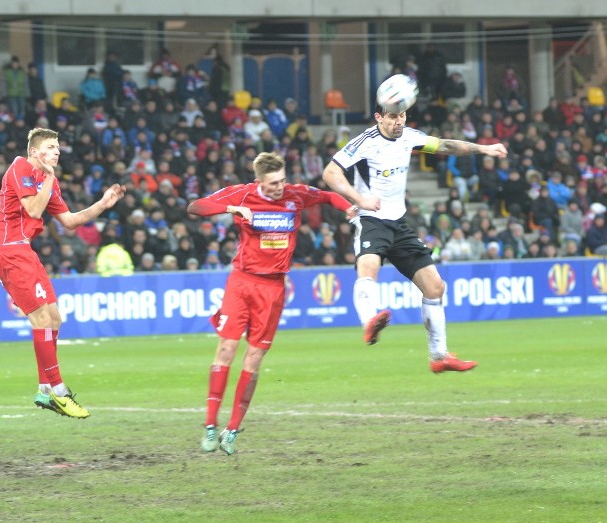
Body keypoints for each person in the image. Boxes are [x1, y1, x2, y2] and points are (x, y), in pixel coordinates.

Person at [188, 152, 355, 455]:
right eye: (274, 183)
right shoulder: (243, 194)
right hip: (241, 282)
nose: (280, 187)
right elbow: (195, 207)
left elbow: (330, 196)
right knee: (226, 350)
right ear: (259, 182)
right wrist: (232, 208)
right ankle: (210, 426)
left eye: (282, 180)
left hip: (273, 288)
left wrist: (350, 207)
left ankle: (233, 429)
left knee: (253, 360)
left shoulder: (296, 195)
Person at [322, 97, 506, 372]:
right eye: (393, 116)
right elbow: (330, 173)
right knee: (369, 266)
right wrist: (358, 198)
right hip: (371, 219)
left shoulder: (410, 137)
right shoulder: (364, 142)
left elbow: (445, 145)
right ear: (378, 117)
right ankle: (369, 322)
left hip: (398, 223)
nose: (399, 122)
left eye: (403, 116)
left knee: (435, 287)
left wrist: (484, 149)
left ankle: (439, 356)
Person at [0, 128, 126, 419]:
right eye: (51, 147)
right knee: (41, 319)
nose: (57, 151)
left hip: (24, 252)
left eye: (58, 147)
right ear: (35, 152)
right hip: (9, 251)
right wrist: (50, 178)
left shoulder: (46, 180)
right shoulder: (20, 166)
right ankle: (59, 391)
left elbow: (69, 221)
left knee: (54, 319)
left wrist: (103, 204)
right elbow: (32, 209)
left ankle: (44, 389)